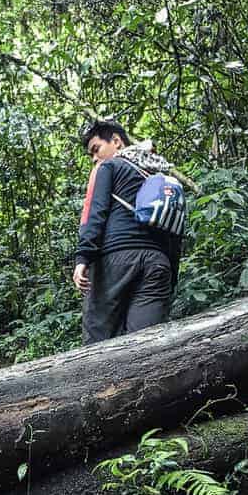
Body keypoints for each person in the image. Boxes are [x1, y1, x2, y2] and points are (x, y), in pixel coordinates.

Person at [73, 120, 182, 345]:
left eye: (96, 149)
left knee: (97, 346)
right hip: (157, 265)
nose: (94, 158)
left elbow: (97, 214)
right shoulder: (160, 177)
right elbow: (174, 230)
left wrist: (82, 257)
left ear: (116, 141)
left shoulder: (109, 167)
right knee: (146, 345)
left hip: (115, 261)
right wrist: (170, 273)